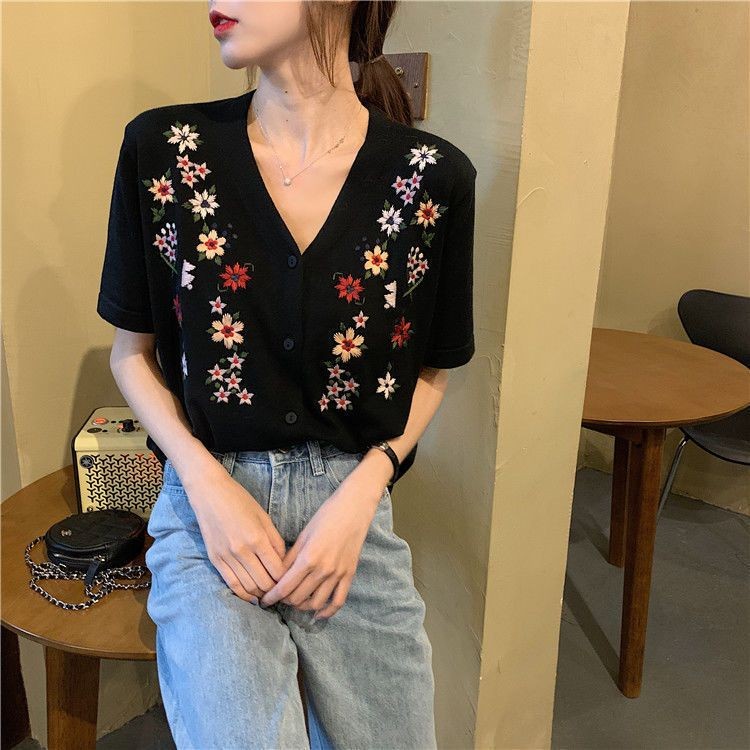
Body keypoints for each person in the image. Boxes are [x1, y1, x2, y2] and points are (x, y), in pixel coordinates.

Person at [96, 1, 477, 747]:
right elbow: (129, 354)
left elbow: (434, 369)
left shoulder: (432, 178)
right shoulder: (165, 151)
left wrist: (364, 492)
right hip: (209, 513)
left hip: (351, 521)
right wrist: (206, 486)